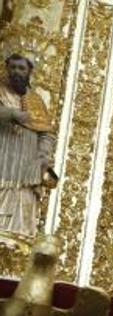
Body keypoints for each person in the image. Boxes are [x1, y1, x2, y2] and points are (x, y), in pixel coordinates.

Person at [0, 53, 56, 241]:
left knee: (22, 213)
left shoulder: (36, 101)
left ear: (29, 72)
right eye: (13, 67)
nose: (16, 72)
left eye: (21, 68)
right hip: (3, 158)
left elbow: (46, 133)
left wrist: (43, 154)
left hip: (27, 167)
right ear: (6, 68)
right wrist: (11, 114)